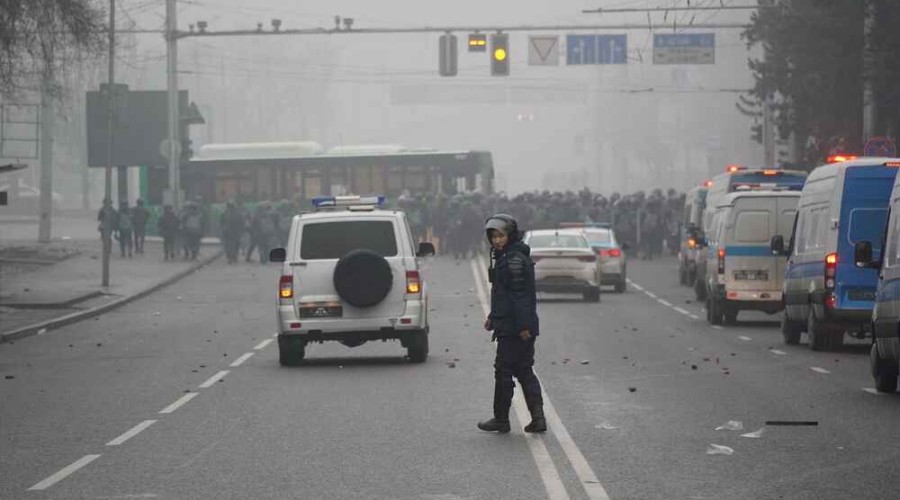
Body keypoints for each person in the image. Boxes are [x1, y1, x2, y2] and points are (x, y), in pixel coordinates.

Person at [478, 214, 546, 434]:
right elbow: (504, 295)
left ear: (510, 235)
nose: (496, 240)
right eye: (493, 236)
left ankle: (501, 419)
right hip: (510, 323)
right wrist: (493, 317)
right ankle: (537, 419)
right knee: (523, 370)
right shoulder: (507, 256)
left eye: (501, 236)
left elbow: (519, 297)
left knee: (504, 371)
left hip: (515, 328)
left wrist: (523, 327)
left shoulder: (513, 260)